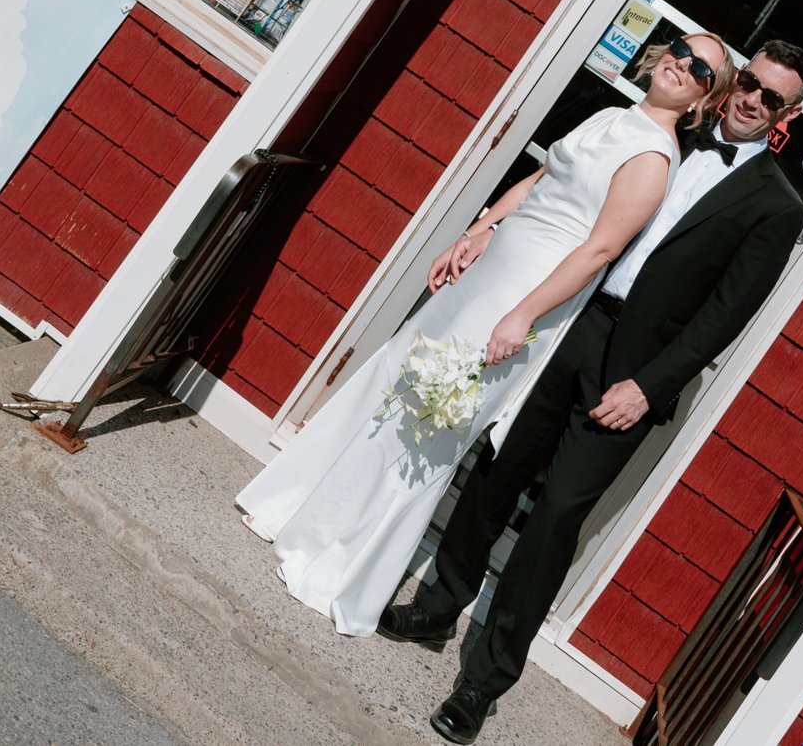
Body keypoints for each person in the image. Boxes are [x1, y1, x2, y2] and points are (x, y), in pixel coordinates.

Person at [382, 40, 803, 745]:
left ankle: (483, 680)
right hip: (571, 324)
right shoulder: (668, 136)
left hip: (633, 375)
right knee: (499, 465)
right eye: (748, 82)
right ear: (736, 79)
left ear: (788, 114)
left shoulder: (777, 206)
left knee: (555, 514)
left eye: (771, 97)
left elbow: (724, 316)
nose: (750, 99)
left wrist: (650, 388)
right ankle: (438, 604)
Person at [234, 33, 737, 638]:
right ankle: (304, 511)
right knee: (401, 380)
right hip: (492, 266)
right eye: (680, 49)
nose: (682, 63)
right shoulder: (612, 114)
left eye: (701, 68)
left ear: (705, 98)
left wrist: (523, 314)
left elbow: (600, 248)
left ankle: (343, 564)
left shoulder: (655, 158)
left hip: (526, 293)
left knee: (436, 423)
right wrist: (478, 230)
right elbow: (539, 180)